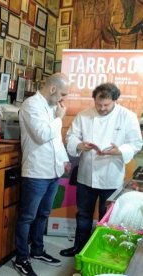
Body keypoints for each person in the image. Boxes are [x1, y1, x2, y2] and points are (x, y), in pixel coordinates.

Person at [60, 83, 142, 257]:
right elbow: (71, 137)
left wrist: (119, 150)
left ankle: (103, 252)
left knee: (108, 218)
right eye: (99, 104)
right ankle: (80, 248)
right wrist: (80, 145)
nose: (102, 108)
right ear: (94, 100)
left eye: (106, 105)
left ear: (114, 100)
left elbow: (136, 143)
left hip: (111, 176)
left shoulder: (127, 116)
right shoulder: (84, 116)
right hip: (86, 175)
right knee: (83, 215)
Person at [14, 73, 70, 276]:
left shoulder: (53, 107)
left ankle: (37, 250)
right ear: (53, 88)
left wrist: (64, 159)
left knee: (44, 214)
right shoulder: (32, 105)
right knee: (27, 217)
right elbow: (42, 135)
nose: (64, 99)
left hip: (53, 170)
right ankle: (21, 258)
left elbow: (55, 140)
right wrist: (59, 119)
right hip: (36, 171)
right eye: (62, 93)